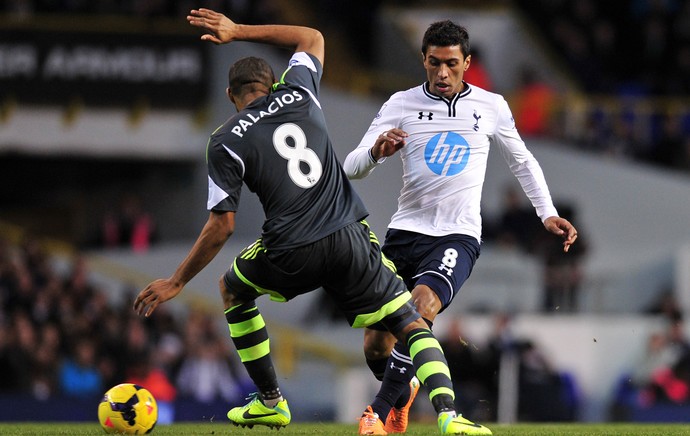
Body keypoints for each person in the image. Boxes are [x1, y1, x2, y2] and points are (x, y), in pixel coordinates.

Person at [133, 8, 491, 435]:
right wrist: (238, 31)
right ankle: (451, 416)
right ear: (272, 84)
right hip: (349, 236)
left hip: (291, 248)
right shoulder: (299, 91)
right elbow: (311, 35)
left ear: (232, 96)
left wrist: (177, 280)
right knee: (410, 321)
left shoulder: (225, 139)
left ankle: (270, 401)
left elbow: (221, 226)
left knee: (232, 289)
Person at [343, 19, 578, 434]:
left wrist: (546, 212)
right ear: (424, 60)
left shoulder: (491, 106)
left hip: (457, 235)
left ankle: (376, 415)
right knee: (377, 345)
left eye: (451, 63)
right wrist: (377, 152)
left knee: (421, 308)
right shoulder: (400, 102)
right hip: (404, 233)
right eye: (434, 63)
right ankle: (405, 389)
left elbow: (522, 160)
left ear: (467, 62)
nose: (442, 73)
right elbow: (351, 166)